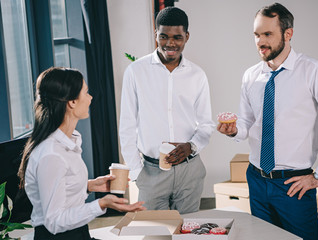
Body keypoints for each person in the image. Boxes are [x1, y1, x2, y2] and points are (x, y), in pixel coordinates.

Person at [217, 3, 318, 240]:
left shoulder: (313, 72)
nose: (260, 41)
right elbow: (247, 123)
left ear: (288, 34)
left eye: (268, 34)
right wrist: (233, 131)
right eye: (257, 35)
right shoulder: (251, 76)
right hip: (257, 179)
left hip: (293, 184)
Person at [18, 67, 145, 240]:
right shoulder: (51, 155)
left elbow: (61, 187)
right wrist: (100, 203)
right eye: (86, 93)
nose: (90, 98)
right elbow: (54, 222)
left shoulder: (69, 142)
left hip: (78, 233)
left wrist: (90, 186)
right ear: (72, 102)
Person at [119, 7, 215, 214]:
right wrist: (137, 173)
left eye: (177, 37)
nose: (170, 43)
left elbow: (206, 124)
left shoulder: (197, 75)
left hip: (190, 171)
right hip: (151, 172)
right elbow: (127, 126)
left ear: (186, 37)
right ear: (156, 34)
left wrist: (192, 146)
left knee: (188, 231)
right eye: (163, 36)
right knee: (154, 233)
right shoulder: (136, 72)